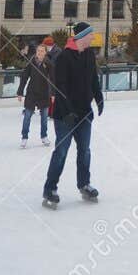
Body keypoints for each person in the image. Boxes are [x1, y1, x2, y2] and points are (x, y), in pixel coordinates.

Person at [43, 22, 104, 208]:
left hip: (84, 113)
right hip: (65, 115)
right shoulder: (64, 58)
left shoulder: (89, 55)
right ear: (81, 37)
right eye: (90, 35)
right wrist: (68, 111)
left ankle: (84, 184)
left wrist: (99, 98)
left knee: (84, 151)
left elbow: (93, 79)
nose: (92, 38)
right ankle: (50, 188)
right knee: (61, 152)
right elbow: (60, 88)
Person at [17, 38, 55, 147]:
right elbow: (24, 77)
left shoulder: (49, 64)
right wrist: (20, 91)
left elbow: (53, 79)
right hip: (32, 93)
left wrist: (53, 94)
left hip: (44, 94)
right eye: (38, 51)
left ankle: (44, 136)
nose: (40, 53)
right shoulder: (31, 63)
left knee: (44, 117)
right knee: (27, 116)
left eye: (42, 51)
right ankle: (24, 137)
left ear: (45, 53)